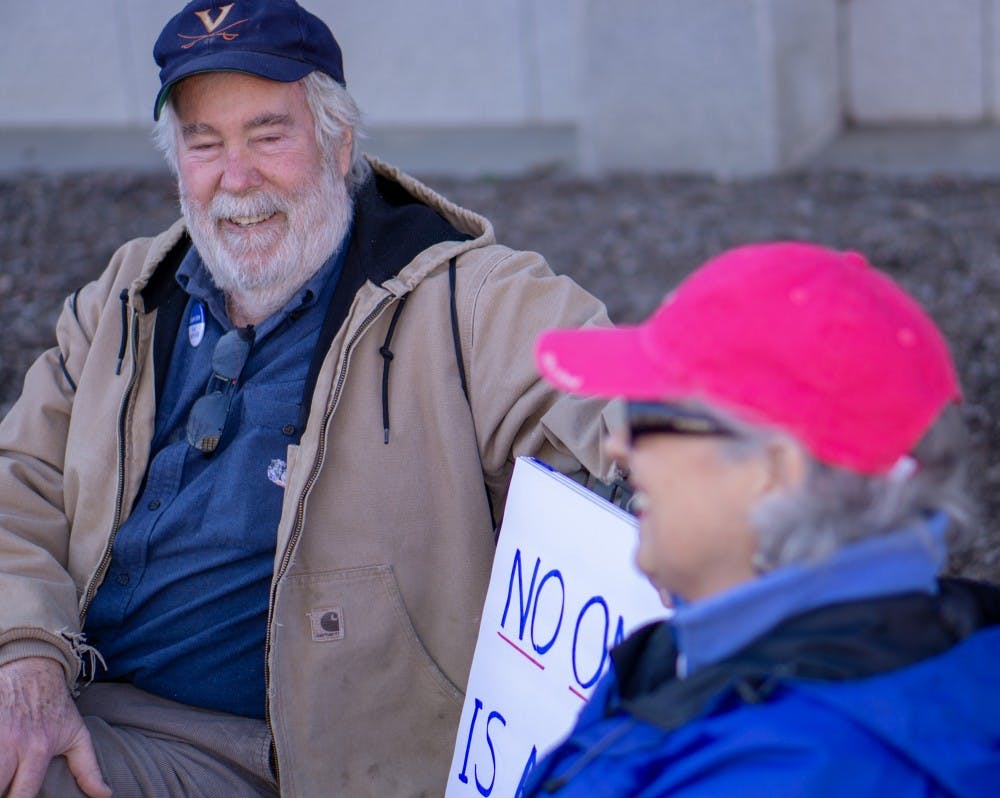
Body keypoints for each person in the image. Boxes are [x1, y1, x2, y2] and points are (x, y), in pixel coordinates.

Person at [0, 1, 616, 796]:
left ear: (339, 143)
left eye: (268, 135)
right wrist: (23, 655)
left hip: (268, 751)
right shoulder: (127, 296)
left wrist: (717, 435)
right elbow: (21, 486)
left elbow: (606, 396)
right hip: (78, 692)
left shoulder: (462, 299)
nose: (237, 176)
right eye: (204, 143)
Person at [525, 242, 1000, 796]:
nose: (620, 445)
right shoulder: (703, 652)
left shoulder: (792, 773)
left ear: (772, 470)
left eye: (652, 414)